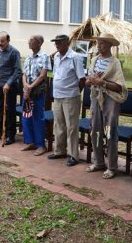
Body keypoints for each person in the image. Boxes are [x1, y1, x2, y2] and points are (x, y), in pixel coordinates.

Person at [85, 33, 128, 179]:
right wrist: (90, 80)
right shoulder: (95, 60)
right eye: (98, 43)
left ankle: (112, 166)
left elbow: (119, 87)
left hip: (110, 100)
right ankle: (98, 162)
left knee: (110, 132)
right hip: (96, 98)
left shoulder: (114, 63)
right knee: (95, 130)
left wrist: (101, 82)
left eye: (102, 43)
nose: (99, 45)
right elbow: (91, 77)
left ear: (110, 45)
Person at [48, 34, 86, 167]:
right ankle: (59, 151)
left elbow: (82, 79)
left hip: (71, 96)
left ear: (66, 43)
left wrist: (74, 92)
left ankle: (73, 155)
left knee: (71, 127)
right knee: (59, 124)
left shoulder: (75, 57)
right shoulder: (56, 57)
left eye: (59, 42)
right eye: (55, 42)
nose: (56, 45)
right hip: (57, 95)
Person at [0, 32, 22, 145]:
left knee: (10, 110)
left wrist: (8, 83)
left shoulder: (14, 52)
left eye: (3, 41)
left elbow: (17, 71)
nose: (0, 43)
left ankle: (10, 135)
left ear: (8, 40)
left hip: (9, 87)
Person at [21, 35, 52, 156]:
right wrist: (25, 85)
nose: (29, 42)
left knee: (38, 117)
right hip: (27, 91)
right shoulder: (28, 57)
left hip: (37, 91)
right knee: (26, 116)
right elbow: (24, 74)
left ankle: (41, 145)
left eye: (32, 40)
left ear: (39, 43)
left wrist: (31, 86)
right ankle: (30, 141)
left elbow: (43, 75)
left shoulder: (44, 57)